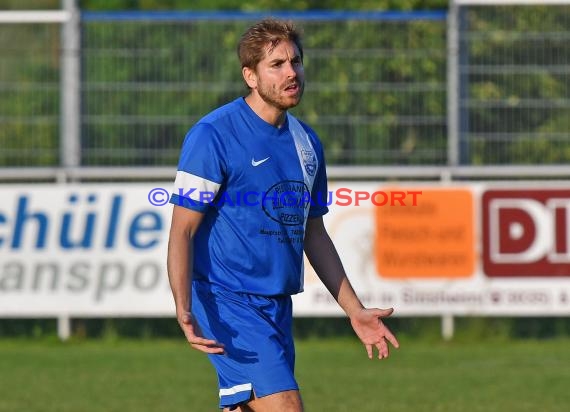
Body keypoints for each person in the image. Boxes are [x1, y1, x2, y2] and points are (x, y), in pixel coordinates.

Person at [167, 18, 399, 412]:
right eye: (277, 64)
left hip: (276, 305)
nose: (291, 72)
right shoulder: (213, 136)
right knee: (286, 406)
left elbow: (315, 235)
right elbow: (182, 232)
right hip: (226, 300)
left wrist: (354, 310)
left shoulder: (307, 142)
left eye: (295, 61)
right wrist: (183, 306)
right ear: (250, 76)